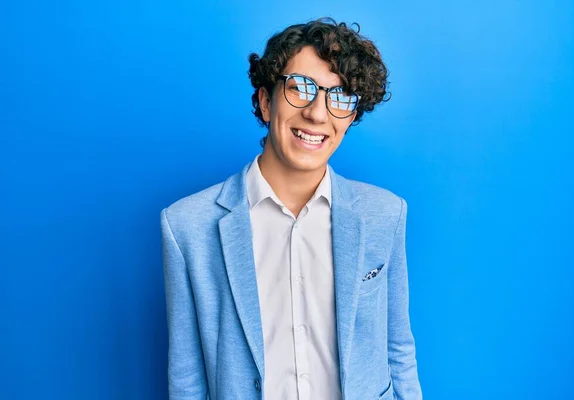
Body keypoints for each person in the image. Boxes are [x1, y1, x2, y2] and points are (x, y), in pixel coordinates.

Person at [160, 17, 422, 400]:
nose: (318, 114)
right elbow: (186, 377)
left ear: (350, 117)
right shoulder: (187, 227)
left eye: (340, 97)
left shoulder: (385, 214)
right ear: (266, 101)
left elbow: (398, 349)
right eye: (300, 88)